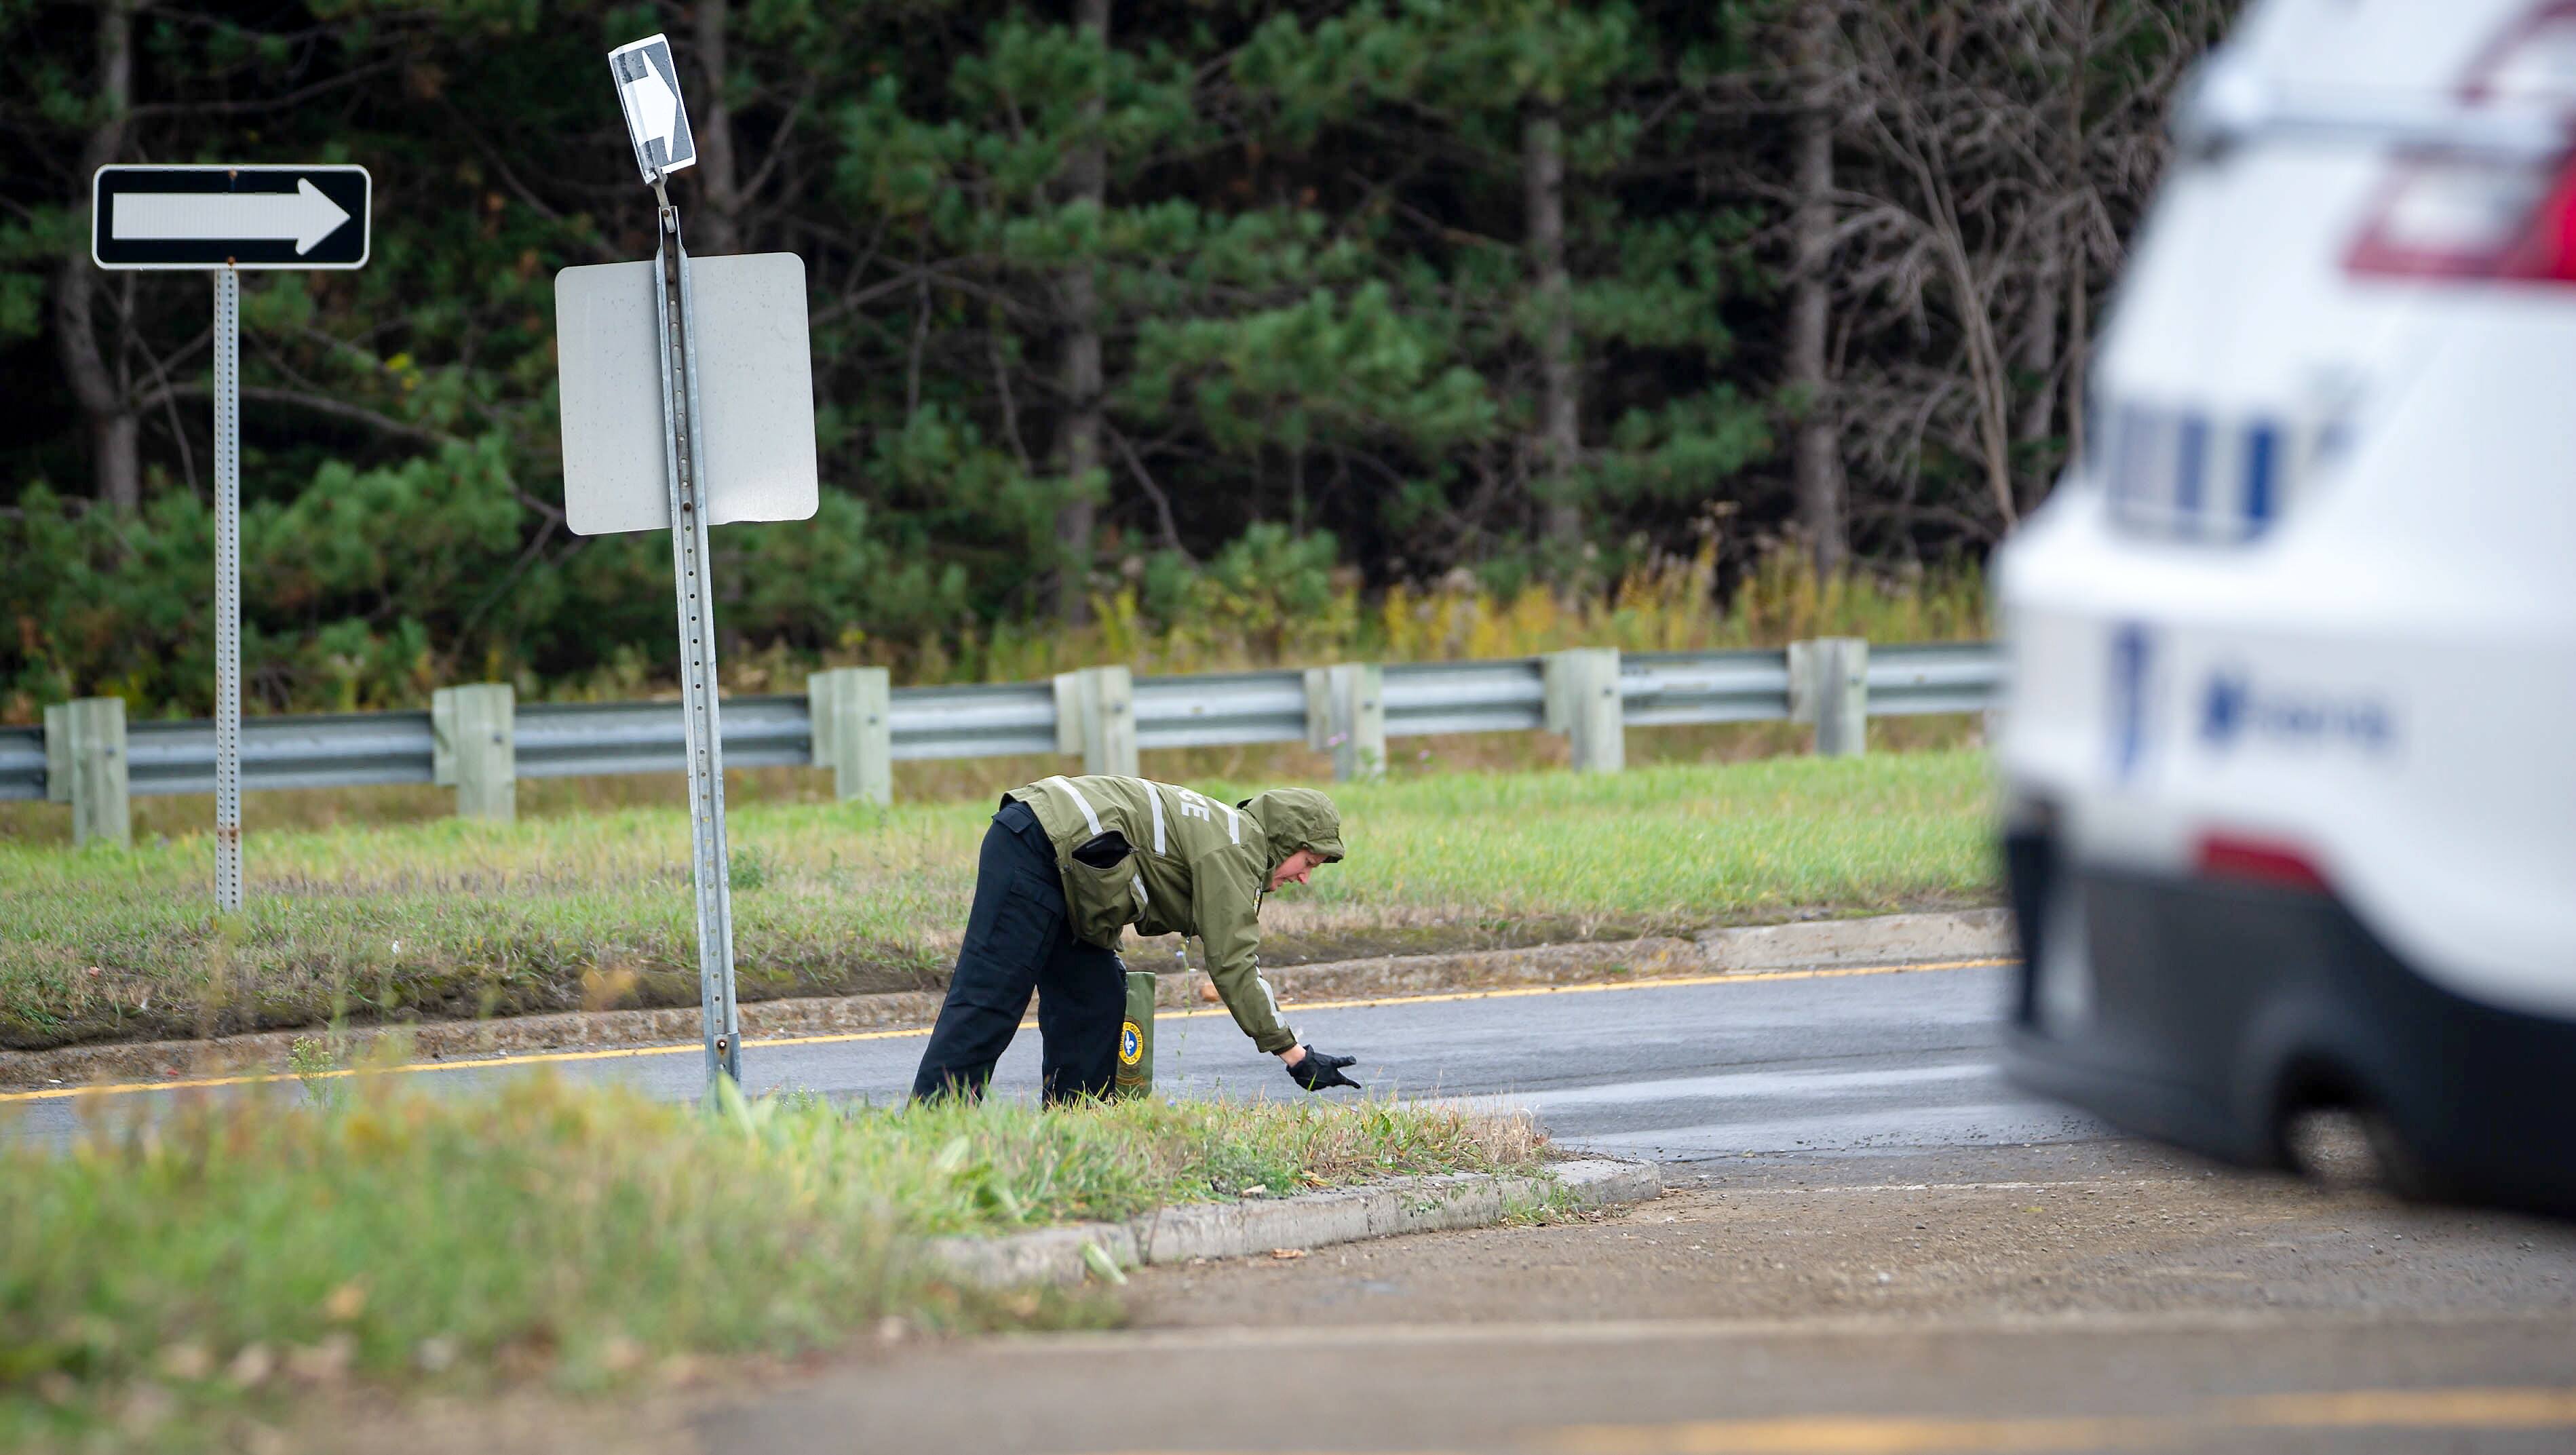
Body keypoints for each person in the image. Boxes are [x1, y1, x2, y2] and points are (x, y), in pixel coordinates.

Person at [910, 775, 1364, 1104]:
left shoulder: (1229, 834)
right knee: (991, 995)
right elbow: (1233, 965)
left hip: (1065, 865)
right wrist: (1296, 1056)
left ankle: (1075, 1134)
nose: (1304, 877)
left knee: (1096, 996)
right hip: (1039, 844)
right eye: (1307, 859)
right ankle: (931, 1137)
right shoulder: (1236, 848)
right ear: (1284, 839)